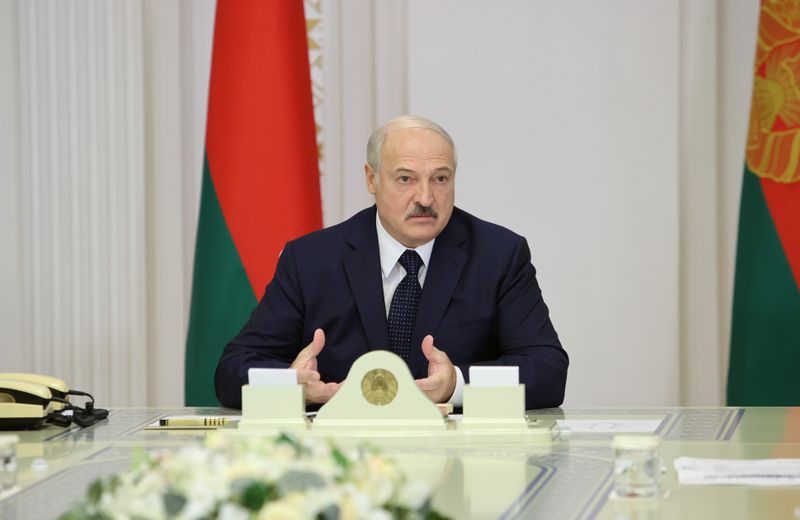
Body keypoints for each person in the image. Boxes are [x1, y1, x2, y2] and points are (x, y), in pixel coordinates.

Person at [215, 115, 568, 409]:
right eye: (405, 179)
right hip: (344, 464)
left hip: (458, 465)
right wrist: (291, 387)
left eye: (440, 179)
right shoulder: (311, 260)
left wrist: (458, 384)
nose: (426, 197)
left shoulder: (498, 255)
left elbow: (548, 371)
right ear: (371, 179)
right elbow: (232, 370)